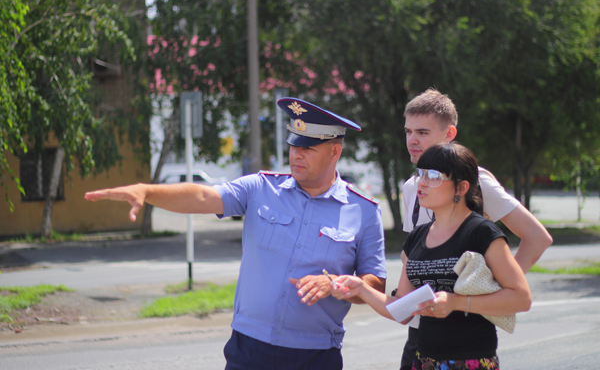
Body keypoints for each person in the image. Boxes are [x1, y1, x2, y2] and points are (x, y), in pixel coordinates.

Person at [84, 97, 387, 370]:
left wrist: (338, 284)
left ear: (335, 151)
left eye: (308, 147)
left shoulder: (364, 210)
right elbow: (202, 197)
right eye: (294, 144)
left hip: (315, 355)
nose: (296, 154)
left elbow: (375, 282)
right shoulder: (261, 188)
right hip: (249, 349)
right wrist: (147, 191)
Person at [333, 142, 532, 369]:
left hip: (471, 361)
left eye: (434, 176)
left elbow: (521, 298)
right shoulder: (417, 236)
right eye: (421, 173)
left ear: (461, 187)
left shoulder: (481, 232)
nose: (422, 182)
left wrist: (456, 302)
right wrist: (360, 288)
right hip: (424, 360)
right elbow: (402, 310)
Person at [399, 88, 553, 370]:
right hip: (421, 336)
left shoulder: (473, 179)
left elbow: (537, 237)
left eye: (422, 132)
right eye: (408, 131)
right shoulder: (412, 188)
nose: (412, 140)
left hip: (466, 337)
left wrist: (486, 293)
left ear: (450, 134)